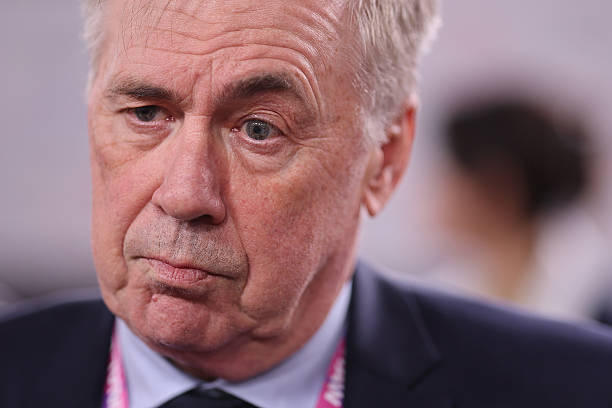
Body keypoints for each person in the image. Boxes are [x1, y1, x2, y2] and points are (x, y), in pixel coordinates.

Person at [1, 1, 612, 407]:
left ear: (385, 158)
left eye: (259, 129)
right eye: (146, 113)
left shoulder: (580, 390)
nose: (184, 194)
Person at [425, 97, 612, 321]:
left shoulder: (598, 290)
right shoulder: (450, 283)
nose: (442, 185)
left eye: (454, 170)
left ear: (498, 184)